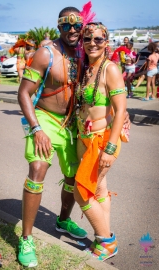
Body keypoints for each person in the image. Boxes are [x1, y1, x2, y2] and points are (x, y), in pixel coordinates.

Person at [17, 4, 130, 268]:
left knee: (73, 178)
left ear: (83, 27)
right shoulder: (46, 54)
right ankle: (26, 238)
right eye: (65, 25)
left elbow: (110, 95)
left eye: (77, 25)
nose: (72, 30)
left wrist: (121, 114)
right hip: (45, 120)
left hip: (73, 128)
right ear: (58, 26)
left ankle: (64, 220)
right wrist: (36, 129)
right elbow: (23, 93)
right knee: (37, 170)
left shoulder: (85, 55)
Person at [74, 22, 126, 261]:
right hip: (84, 139)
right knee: (99, 190)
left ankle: (107, 242)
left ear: (107, 42)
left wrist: (111, 148)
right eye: (87, 39)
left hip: (102, 142)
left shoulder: (110, 69)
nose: (92, 44)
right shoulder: (87, 68)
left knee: (81, 192)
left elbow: (121, 109)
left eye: (97, 39)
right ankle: (103, 239)